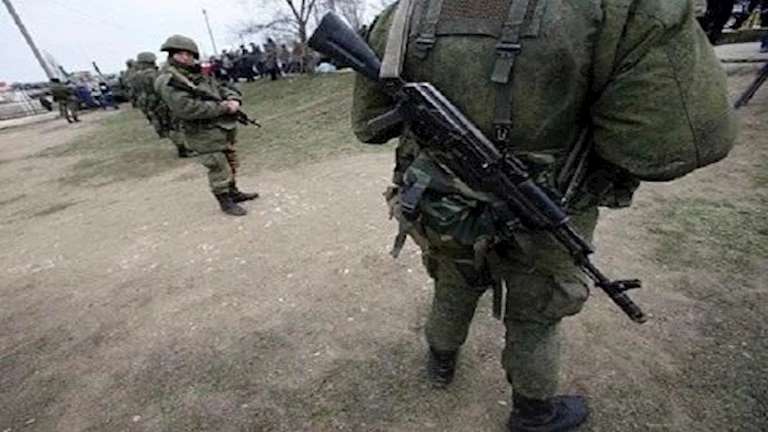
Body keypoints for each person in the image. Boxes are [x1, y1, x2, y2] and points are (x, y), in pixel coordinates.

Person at [351, 0, 737, 430]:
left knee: (454, 282)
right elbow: (664, 146)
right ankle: (534, 413)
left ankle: (440, 361)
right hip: (553, 201)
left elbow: (369, 125)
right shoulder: (616, 8)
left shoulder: (404, 13)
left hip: (445, 205)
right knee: (536, 313)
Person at [155, 34, 259, 216]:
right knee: (217, 165)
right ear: (171, 54)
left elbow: (220, 87)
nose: (185, 57)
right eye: (180, 54)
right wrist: (223, 108)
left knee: (230, 160)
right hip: (201, 131)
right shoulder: (169, 80)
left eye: (189, 54)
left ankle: (233, 192)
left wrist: (233, 99)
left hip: (221, 127)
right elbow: (186, 108)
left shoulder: (196, 73)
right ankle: (225, 201)